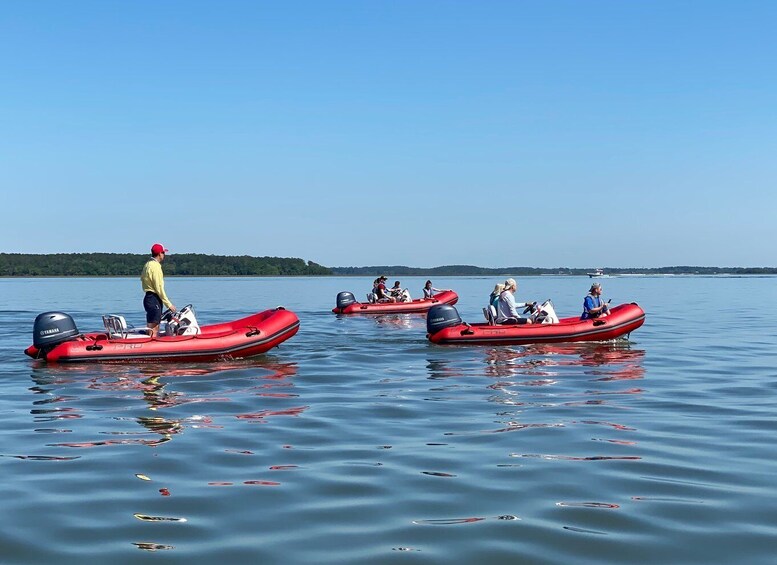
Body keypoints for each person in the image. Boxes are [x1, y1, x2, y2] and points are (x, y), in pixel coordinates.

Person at [141, 243, 176, 337]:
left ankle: (149, 342)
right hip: (154, 299)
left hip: (148, 298)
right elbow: (159, 287)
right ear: (160, 254)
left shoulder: (147, 264)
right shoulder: (155, 267)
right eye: (163, 253)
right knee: (155, 327)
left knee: (150, 325)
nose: (164, 255)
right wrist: (169, 304)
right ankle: (152, 346)